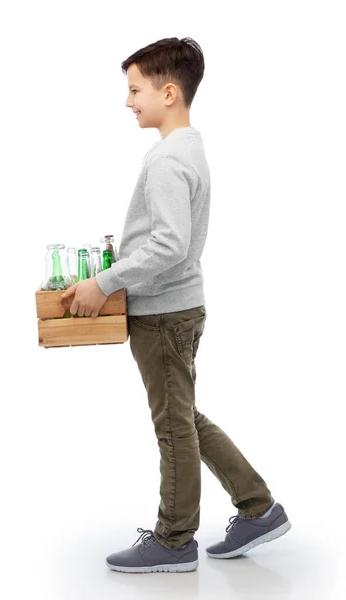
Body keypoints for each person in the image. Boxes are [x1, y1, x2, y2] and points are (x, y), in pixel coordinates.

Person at [61, 36, 292, 574]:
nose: (128, 101)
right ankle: (259, 507)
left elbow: (170, 244)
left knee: (173, 426)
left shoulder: (167, 159)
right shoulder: (189, 147)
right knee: (184, 416)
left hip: (163, 313)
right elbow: (168, 241)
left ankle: (173, 540)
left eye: (135, 89)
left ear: (169, 92)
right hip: (179, 308)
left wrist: (107, 282)